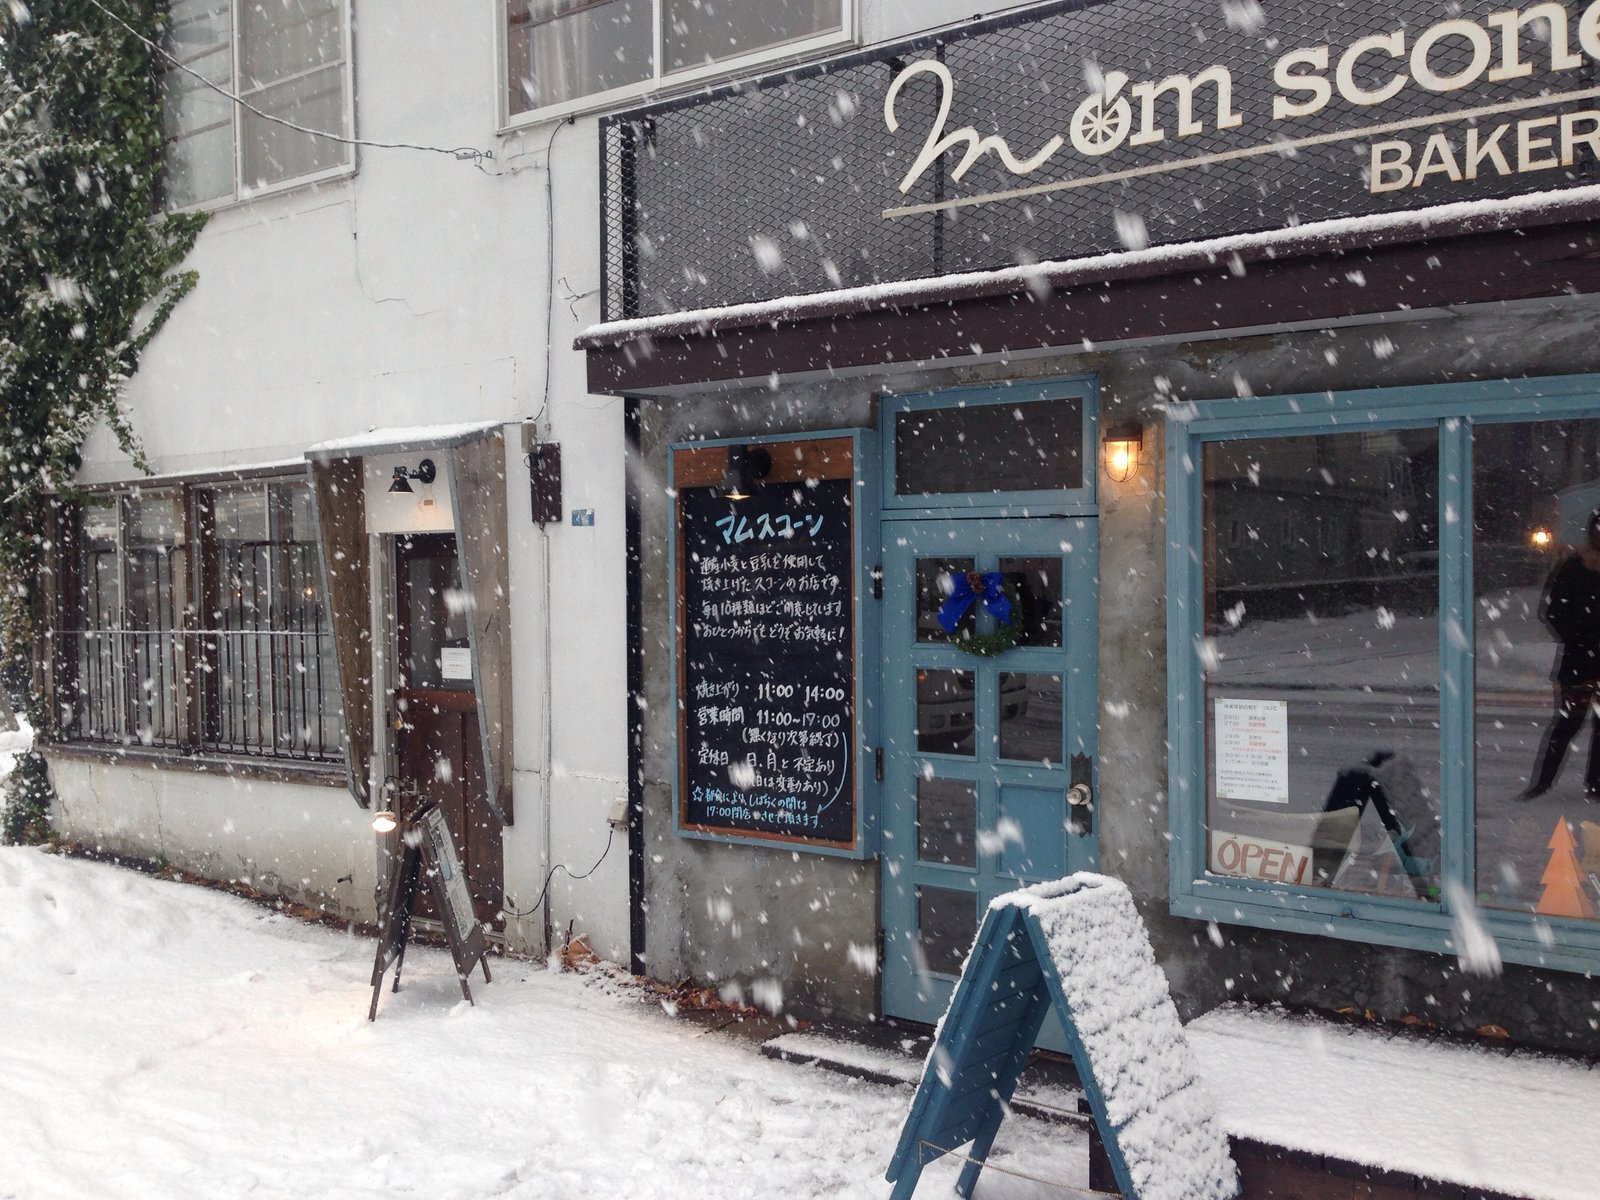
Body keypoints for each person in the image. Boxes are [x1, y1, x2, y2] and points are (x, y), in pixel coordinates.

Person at [1520, 507, 1600, 801]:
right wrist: (1578, 636)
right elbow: (1553, 610)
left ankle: (1595, 784)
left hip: (1586, 657)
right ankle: (1543, 782)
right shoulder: (1573, 566)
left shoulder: (1573, 566)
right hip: (1579, 661)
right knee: (1568, 724)